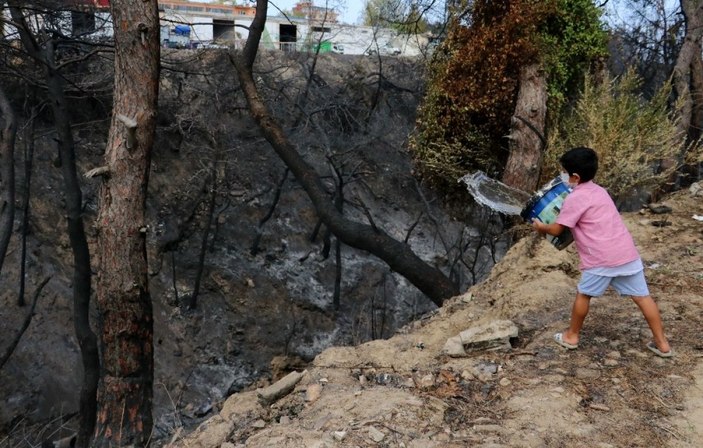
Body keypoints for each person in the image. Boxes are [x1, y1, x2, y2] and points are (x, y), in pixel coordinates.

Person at [532, 147, 672, 357]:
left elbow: (557, 229)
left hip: (600, 259)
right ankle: (662, 344)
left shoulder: (575, 198)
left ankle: (571, 336)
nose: (562, 176)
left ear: (575, 176)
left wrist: (540, 227)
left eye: (565, 172)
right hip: (626, 254)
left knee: (584, 294)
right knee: (643, 297)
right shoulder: (600, 191)